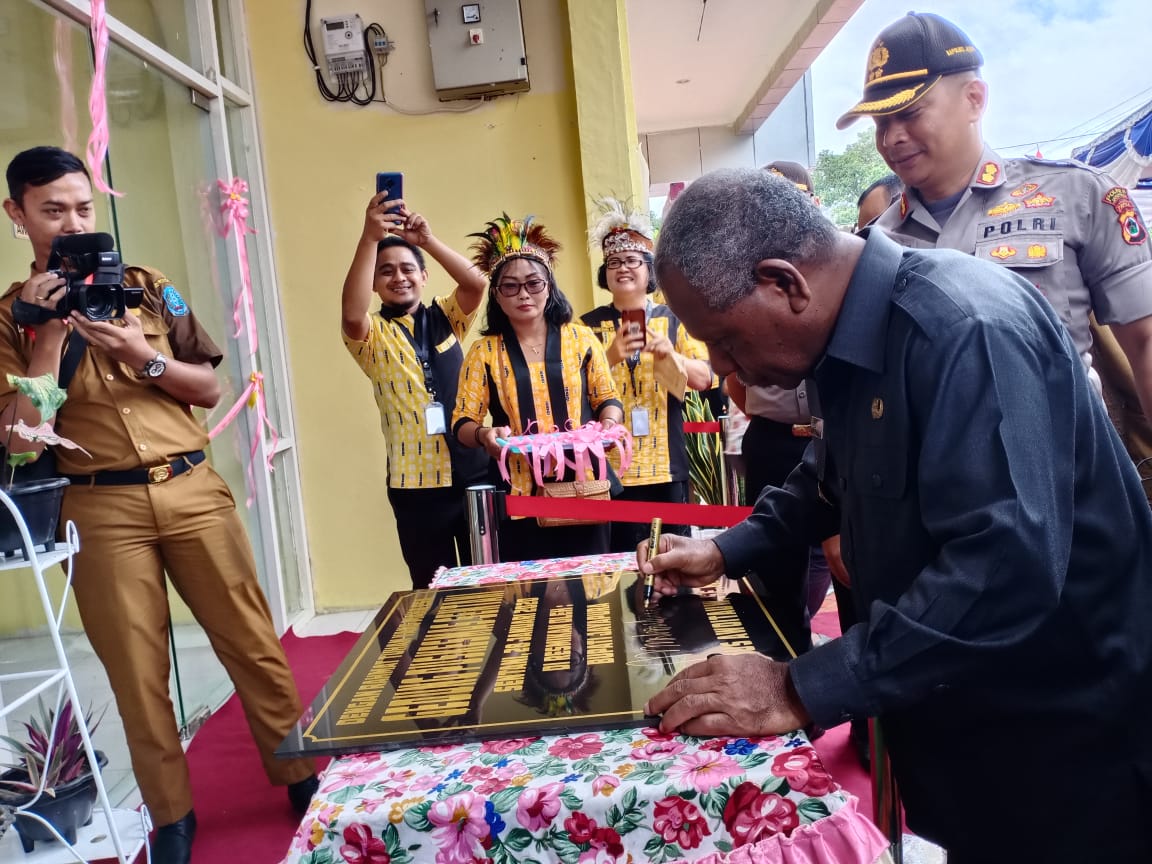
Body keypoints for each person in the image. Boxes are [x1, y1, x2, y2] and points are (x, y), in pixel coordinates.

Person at [640, 167, 1152, 862]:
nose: (724, 366)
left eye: (725, 340)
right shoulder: (855, 337)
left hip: (1063, 738)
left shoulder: (963, 327)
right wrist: (726, 550)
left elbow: (1006, 569)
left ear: (783, 283)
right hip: (967, 725)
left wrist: (797, 686)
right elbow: (828, 476)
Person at [0, 146, 317, 864]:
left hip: (192, 489)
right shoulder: (9, 320)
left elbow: (208, 387)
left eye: (84, 207)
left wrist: (140, 355)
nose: (73, 224)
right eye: (52, 210)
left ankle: (301, 777)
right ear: (17, 214)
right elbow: (19, 440)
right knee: (136, 670)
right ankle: (172, 817)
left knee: (252, 642)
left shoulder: (147, 288)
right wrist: (48, 337)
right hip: (97, 507)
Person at [836, 11, 1152, 489]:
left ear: (974, 99)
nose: (891, 137)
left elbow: (1144, 343)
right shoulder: (875, 247)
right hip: (936, 500)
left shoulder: (1075, 196)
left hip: (1067, 487)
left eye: (910, 113)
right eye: (881, 121)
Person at [452, 214, 623, 562]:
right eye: (510, 286)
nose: (523, 294)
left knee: (592, 583)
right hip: (520, 494)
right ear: (496, 296)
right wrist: (485, 435)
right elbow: (462, 422)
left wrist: (609, 422)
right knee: (531, 588)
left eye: (534, 283)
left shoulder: (581, 339)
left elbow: (607, 397)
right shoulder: (484, 352)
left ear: (549, 287)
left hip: (587, 485)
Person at [341, 192, 488, 588]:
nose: (399, 277)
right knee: (431, 587)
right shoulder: (372, 335)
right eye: (386, 272)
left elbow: (476, 283)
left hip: (473, 474)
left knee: (488, 579)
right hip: (416, 486)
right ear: (374, 284)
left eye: (408, 268)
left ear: (424, 276)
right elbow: (351, 313)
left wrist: (428, 241)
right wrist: (369, 237)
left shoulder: (446, 318)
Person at [579, 198, 711, 552]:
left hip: (667, 466)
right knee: (617, 567)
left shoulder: (673, 318)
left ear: (649, 270)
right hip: (609, 471)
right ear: (605, 273)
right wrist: (611, 355)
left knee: (674, 559)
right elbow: (571, 391)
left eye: (632, 260)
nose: (623, 268)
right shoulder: (586, 326)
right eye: (614, 262)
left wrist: (670, 355)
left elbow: (705, 379)